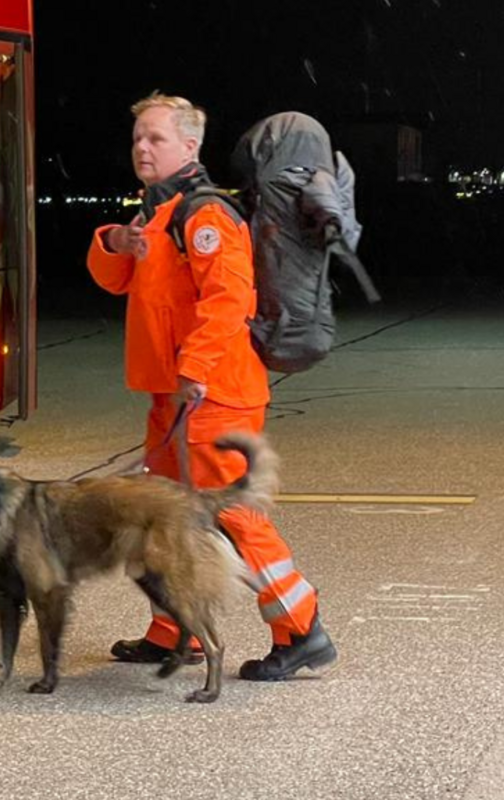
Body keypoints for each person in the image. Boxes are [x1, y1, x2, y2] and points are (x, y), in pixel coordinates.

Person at [86, 93, 337, 681]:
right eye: (138, 139)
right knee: (164, 516)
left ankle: (301, 629)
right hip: (172, 394)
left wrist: (194, 370)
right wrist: (113, 242)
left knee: (233, 517)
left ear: (189, 147)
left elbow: (229, 303)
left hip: (211, 393)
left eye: (156, 139)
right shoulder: (158, 212)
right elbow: (118, 280)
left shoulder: (205, 216)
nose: (142, 149)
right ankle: (175, 630)